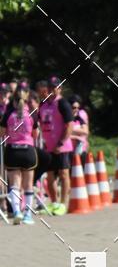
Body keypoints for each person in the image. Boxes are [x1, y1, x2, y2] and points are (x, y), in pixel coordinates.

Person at [1, 82, 39, 224]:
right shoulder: (32, 114)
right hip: (28, 151)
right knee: (28, 185)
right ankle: (28, 215)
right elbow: (35, 135)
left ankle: (16, 211)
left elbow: (2, 133)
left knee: (14, 184)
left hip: (12, 151)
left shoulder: (8, 114)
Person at [37, 75, 73, 214]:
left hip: (61, 146)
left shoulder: (62, 103)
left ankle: (63, 204)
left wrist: (61, 142)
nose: (53, 89)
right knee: (50, 174)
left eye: (56, 87)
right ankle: (54, 202)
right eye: (51, 87)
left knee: (63, 173)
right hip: (49, 145)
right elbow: (40, 122)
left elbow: (69, 125)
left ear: (60, 88)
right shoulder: (43, 103)